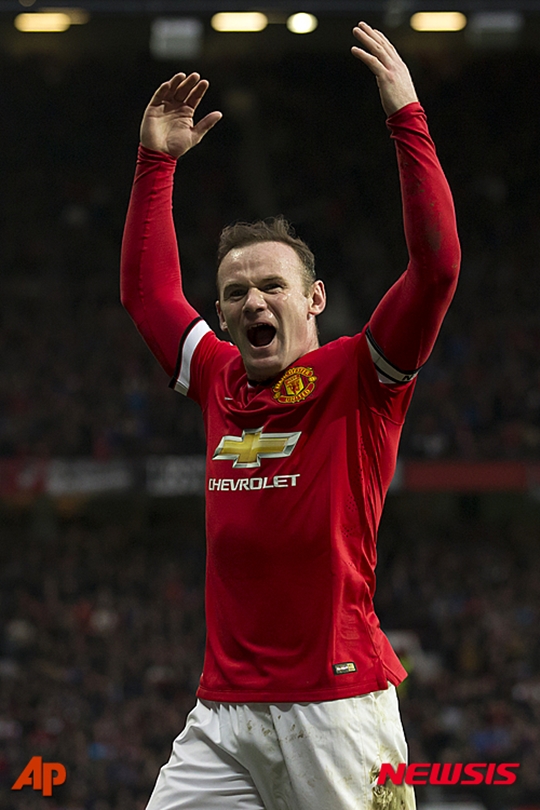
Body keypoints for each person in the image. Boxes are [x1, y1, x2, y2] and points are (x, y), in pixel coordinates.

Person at [121, 20, 460, 810]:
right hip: (223, 711)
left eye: (272, 285)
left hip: (338, 708)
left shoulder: (362, 375)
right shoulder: (218, 377)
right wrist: (154, 163)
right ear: (222, 314)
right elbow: (146, 295)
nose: (253, 302)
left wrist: (407, 117)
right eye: (236, 292)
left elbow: (437, 267)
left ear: (314, 300)